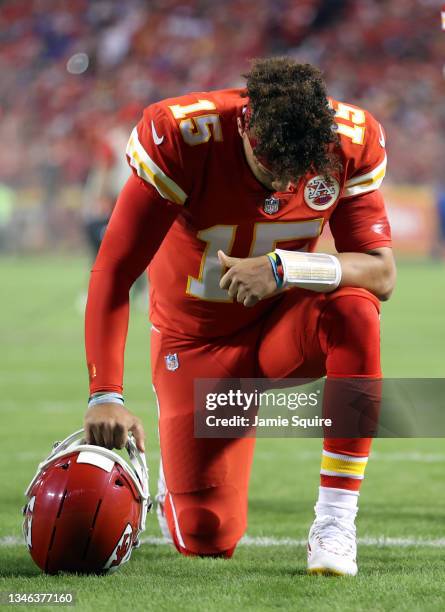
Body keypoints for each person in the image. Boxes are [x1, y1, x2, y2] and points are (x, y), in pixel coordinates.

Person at [84, 57, 396, 576]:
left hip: (281, 329)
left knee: (356, 312)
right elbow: (114, 273)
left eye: (292, 171)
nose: (279, 185)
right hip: (197, 344)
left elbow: (381, 273)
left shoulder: (347, 142)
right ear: (246, 125)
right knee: (207, 535)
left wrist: (283, 266)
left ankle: (336, 521)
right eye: (270, 164)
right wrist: (105, 395)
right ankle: (177, 484)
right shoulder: (183, 135)